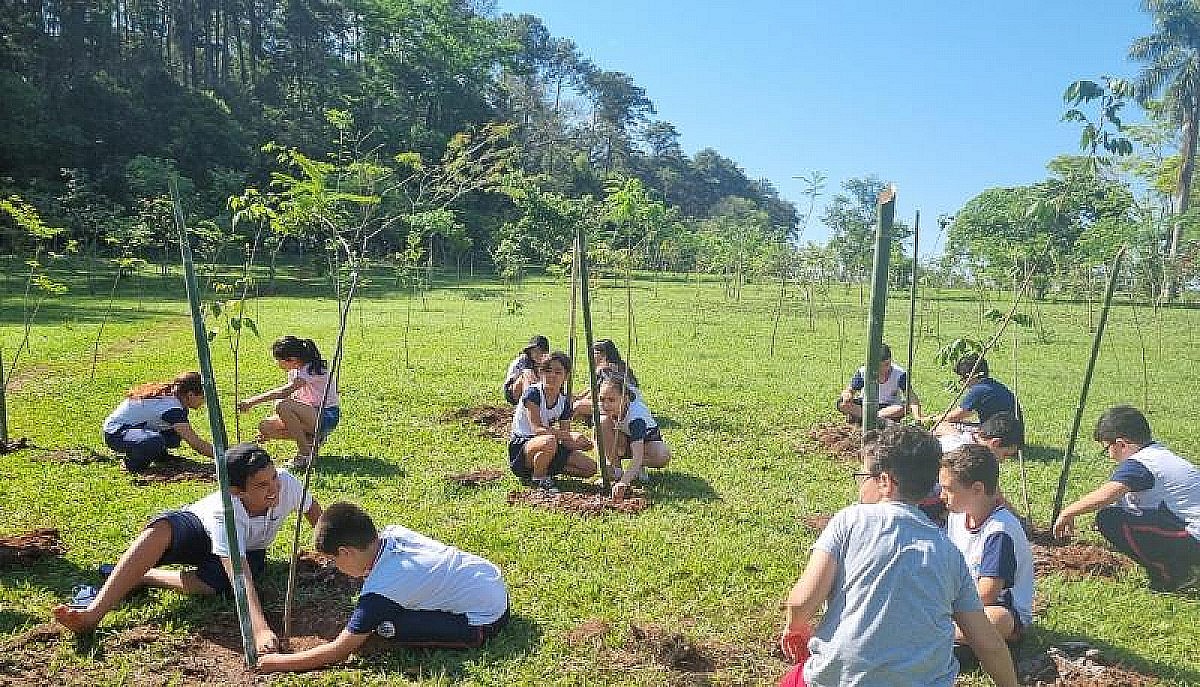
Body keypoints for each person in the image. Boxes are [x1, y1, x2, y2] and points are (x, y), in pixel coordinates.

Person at [777, 425, 1018, 687]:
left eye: (865, 476)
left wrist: (795, 627)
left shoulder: (850, 520)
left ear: (885, 481)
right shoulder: (949, 552)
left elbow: (802, 602)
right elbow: (988, 644)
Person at [53, 443, 322, 654]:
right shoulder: (224, 510)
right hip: (199, 530)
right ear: (237, 491)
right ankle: (92, 615)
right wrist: (260, 630)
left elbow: (314, 513)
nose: (274, 487)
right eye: (262, 485)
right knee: (161, 529)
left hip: (249, 548)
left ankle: (146, 577)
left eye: (273, 477)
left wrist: (327, 553)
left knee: (216, 585)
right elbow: (240, 575)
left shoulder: (287, 483)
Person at [255, 502, 509, 673]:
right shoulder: (393, 533)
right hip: (490, 582)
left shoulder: (382, 590)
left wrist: (280, 662)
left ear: (346, 552)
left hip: (484, 620)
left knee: (385, 628)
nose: (335, 567)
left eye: (334, 561)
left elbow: (339, 651)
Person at [1053, 405, 1200, 593]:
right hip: (1190, 533)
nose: (1109, 455)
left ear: (1122, 444)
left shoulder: (1140, 464)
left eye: (1107, 448)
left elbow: (1106, 495)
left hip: (1193, 539)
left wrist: (1067, 512)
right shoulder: (1158, 454)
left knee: (1110, 519)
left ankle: (1174, 574)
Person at [940, 444, 1034, 648]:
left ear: (977, 490)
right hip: (960, 606)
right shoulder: (958, 516)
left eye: (949, 489)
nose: (942, 496)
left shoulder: (1000, 530)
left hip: (995, 609)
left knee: (997, 618)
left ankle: (933, 633)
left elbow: (987, 594)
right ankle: (942, 632)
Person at [238, 336, 340, 468]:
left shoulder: (310, 370)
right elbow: (294, 401)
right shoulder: (295, 372)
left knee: (282, 404)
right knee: (265, 427)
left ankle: (305, 454)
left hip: (326, 416)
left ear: (292, 359)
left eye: (278, 360)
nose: (277, 363)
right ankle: (311, 440)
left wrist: (251, 402)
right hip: (309, 415)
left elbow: (283, 394)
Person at [508, 351, 597, 492]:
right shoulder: (533, 393)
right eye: (548, 371)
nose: (552, 376)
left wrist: (582, 444)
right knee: (549, 440)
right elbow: (537, 429)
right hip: (524, 446)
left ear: (566, 376)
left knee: (590, 468)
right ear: (540, 373)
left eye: (558, 372)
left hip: (548, 446)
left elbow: (565, 437)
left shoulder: (564, 401)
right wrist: (569, 436)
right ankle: (539, 479)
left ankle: (545, 469)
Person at [102, 371, 214, 471]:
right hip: (116, 433)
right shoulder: (171, 408)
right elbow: (196, 444)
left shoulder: (176, 397)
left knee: (173, 437)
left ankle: (158, 455)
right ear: (190, 395)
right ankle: (132, 464)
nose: (204, 402)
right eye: (203, 397)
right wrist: (225, 457)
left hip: (135, 428)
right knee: (154, 441)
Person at [596, 375, 670, 499]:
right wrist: (605, 463)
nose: (606, 405)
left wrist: (624, 483)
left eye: (611, 400)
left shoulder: (636, 418)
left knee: (661, 455)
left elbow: (637, 456)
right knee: (602, 422)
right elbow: (597, 438)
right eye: (602, 399)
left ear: (624, 399)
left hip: (646, 445)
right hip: (624, 439)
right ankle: (616, 470)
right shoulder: (605, 409)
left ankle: (636, 470)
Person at [835, 344, 922, 424]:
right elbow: (850, 390)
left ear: (891, 361)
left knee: (904, 408)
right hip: (865, 405)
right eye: (880, 367)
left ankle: (868, 418)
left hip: (889, 407)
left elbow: (911, 395)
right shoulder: (864, 371)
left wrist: (918, 417)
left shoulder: (899, 374)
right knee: (842, 404)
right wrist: (847, 395)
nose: (884, 369)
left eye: (887, 365)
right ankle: (874, 418)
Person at [928, 354, 1016, 427]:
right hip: (1013, 438)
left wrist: (929, 419)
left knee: (943, 426)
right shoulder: (993, 385)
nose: (963, 383)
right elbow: (966, 414)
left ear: (971, 376)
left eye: (963, 378)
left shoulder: (979, 390)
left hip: (998, 439)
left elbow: (953, 417)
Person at [573, 338, 640, 420]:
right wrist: (579, 397)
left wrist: (579, 401)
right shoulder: (620, 365)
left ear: (603, 355)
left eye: (594, 353)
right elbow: (592, 389)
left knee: (577, 406)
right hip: (629, 404)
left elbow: (595, 393)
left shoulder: (606, 369)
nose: (592, 357)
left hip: (621, 406)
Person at [503, 335, 549, 406]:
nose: (537, 354)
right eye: (534, 351)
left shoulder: (547, 362)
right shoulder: (523, 360)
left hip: (537, 389)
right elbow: (512, 381)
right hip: (513, 390)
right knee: (527, 374)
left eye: (540, 351)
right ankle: (527, 403)